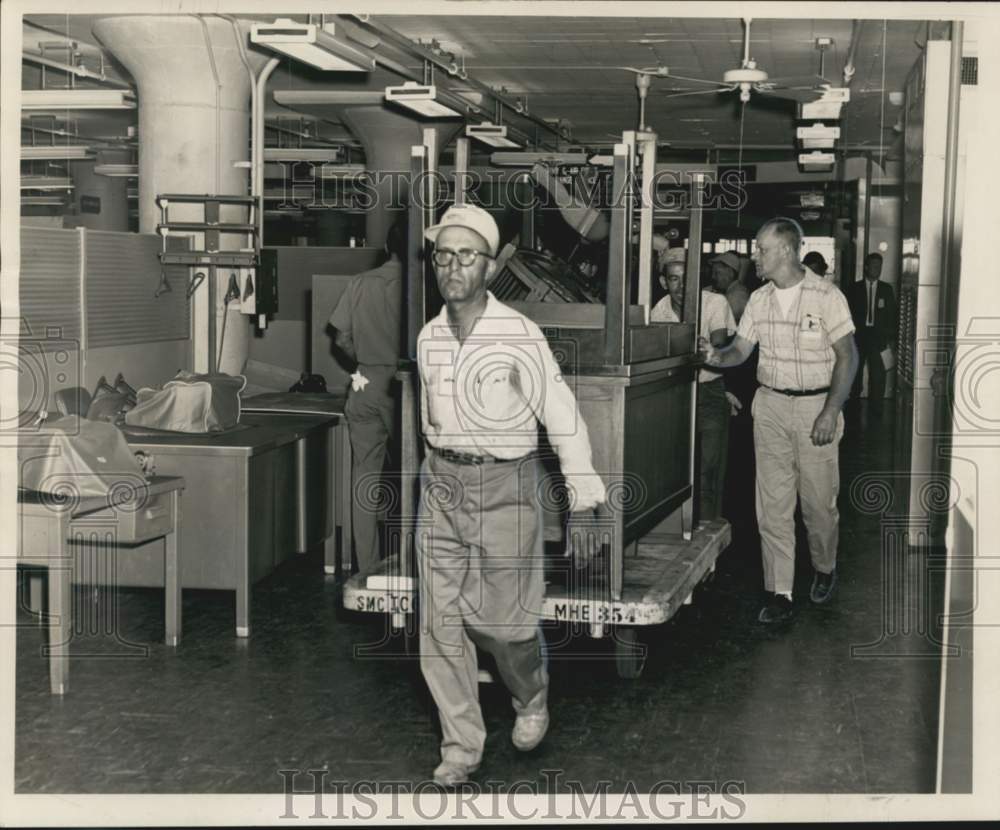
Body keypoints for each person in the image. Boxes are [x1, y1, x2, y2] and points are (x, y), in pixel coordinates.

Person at [416, 202, 606, 786]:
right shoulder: (428, 338)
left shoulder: (519, 336)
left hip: (506, 487)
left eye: (466, 256)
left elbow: (561, 411)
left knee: (505, 625)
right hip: (441, 483)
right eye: (443, 255)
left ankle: (531, 697)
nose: (452, 267)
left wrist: (584, 498)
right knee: (439, 624)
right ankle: (462, 745)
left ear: (492, 266)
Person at [702, 217, 858, 624]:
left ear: (786, 251)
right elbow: (740, 350)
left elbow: (848, 356)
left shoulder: (827, 296)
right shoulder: (759, 300)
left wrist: (831, 410)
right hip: (769, 405)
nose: (756, 257)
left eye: (762, 249)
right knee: (772, 504)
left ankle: (825, 567)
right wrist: (715, 358)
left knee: (818, 506)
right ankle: (781, 591)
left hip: (815, 408)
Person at [328, 219, 405, 578]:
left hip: (363, 381)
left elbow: (341, 339)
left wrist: (364, 363)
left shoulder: (360, 283)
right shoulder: (421, 288)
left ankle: (367, 568)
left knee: (364, 476)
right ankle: (410, 565)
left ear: (388, 247)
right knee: (415, 476)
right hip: (405, 384)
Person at [651, 247, 736, 522]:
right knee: (674, 470)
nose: (681, 286)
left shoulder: (715, 303)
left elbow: (720, 341)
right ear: (664, 282)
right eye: (674, 279)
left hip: (709, 393)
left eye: (687, 278)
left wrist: (707, 349)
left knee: (708, 468)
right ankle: (678, 531)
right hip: (673, 395)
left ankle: (708, 533)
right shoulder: (658, 311)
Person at [848, 252, 897, 414]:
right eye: (874, 266)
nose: (878, 269)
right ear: (867, 267)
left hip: (878, 339)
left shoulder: (886, 289)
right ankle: (853, 411)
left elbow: (892, 316)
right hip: (858, 338)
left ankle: (876, 412)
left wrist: (890, 339)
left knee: (878, 376)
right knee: (855, 375)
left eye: (880, 266)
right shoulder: (854, 289)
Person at [709, 251, 750, 323]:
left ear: (730, 273)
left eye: (717, 273)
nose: (713, 277)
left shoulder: (737, 296)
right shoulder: (732, 292)